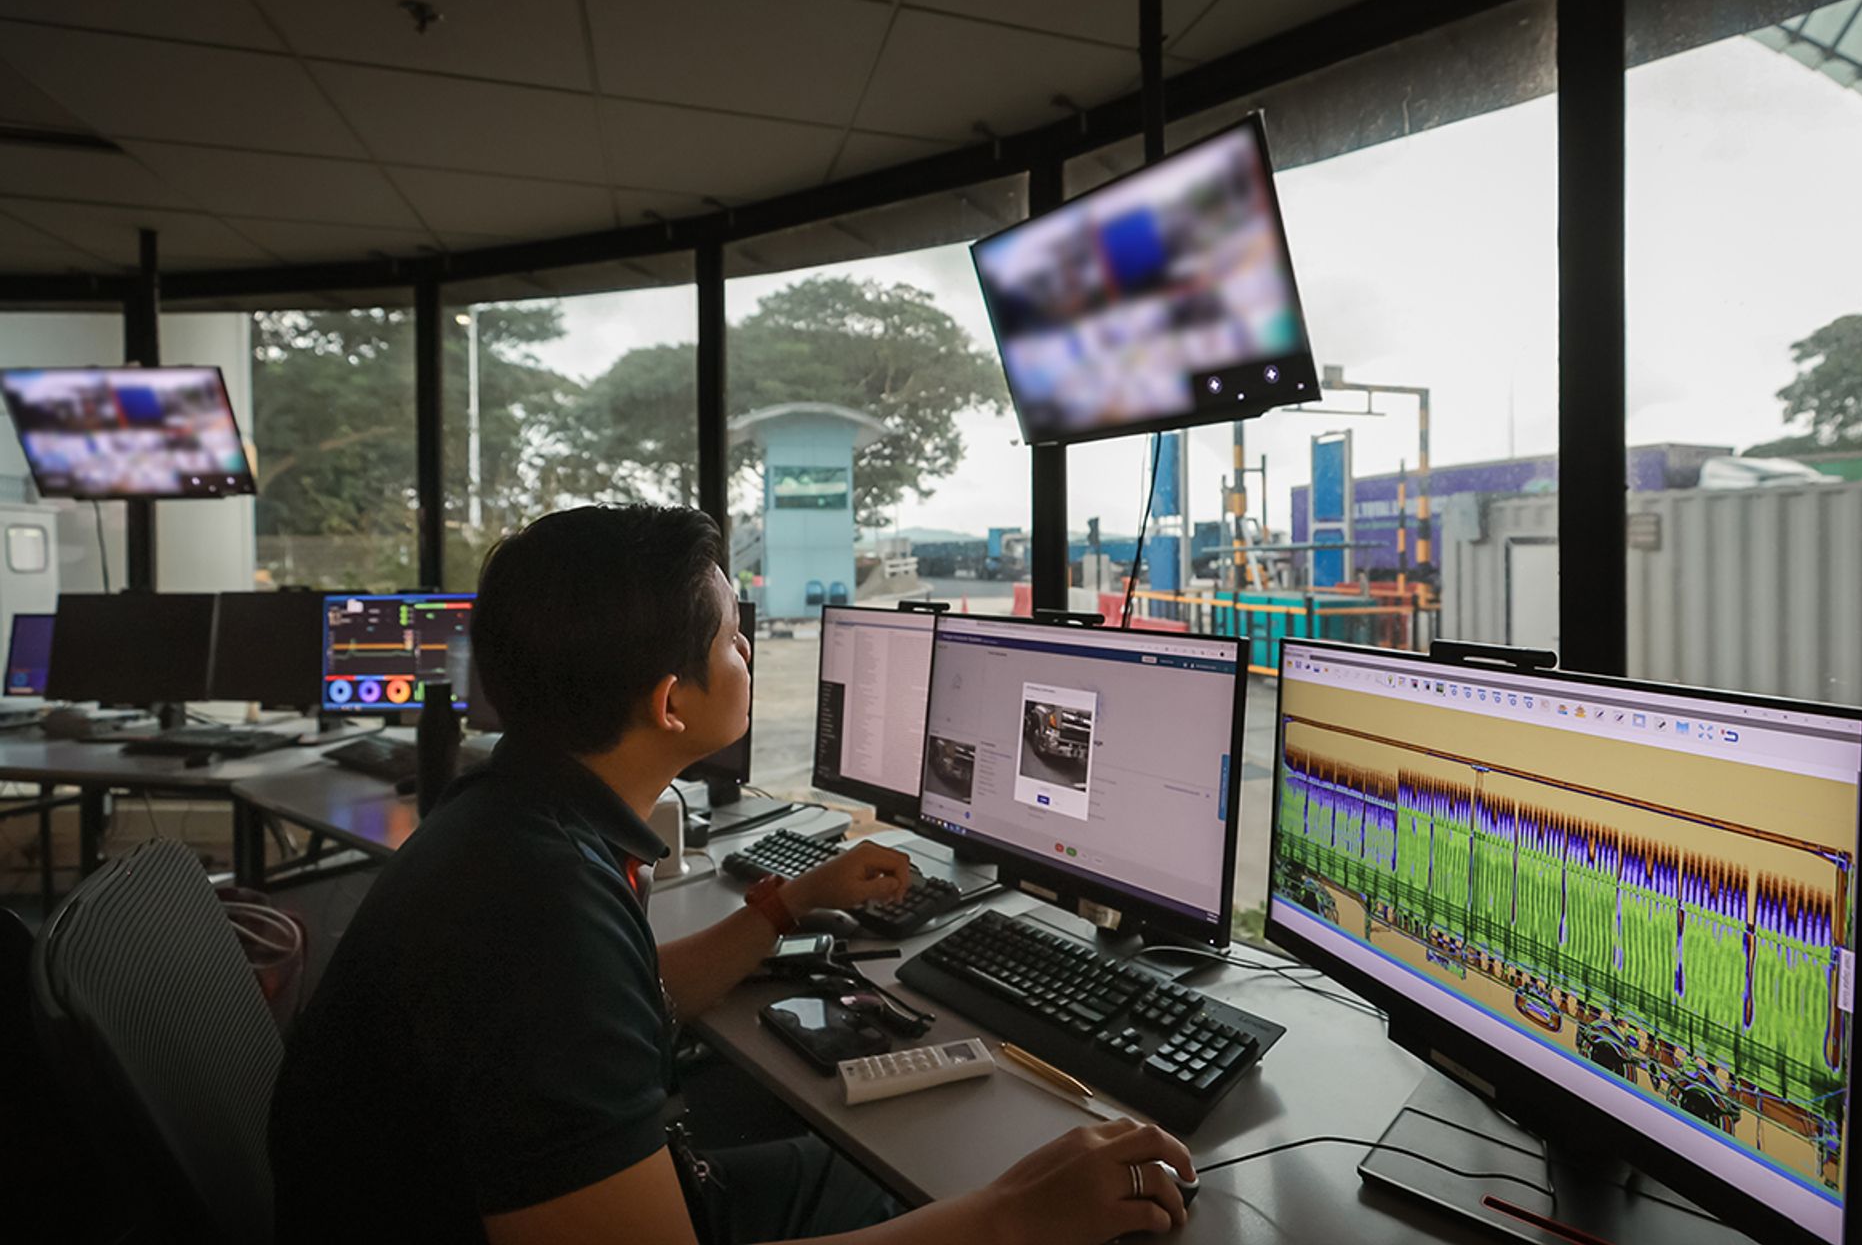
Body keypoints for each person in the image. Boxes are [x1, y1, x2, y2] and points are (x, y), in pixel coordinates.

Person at [269, 504, 1195, 1245]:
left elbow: (622, 998)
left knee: (875, 1174)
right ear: (671, 704)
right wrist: (1013, 1217)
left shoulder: (516, 817)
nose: (748, 655)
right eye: (732, 642)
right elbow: (566, 998)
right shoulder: (534, 912)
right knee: (960, 1197)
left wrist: (785, 905)